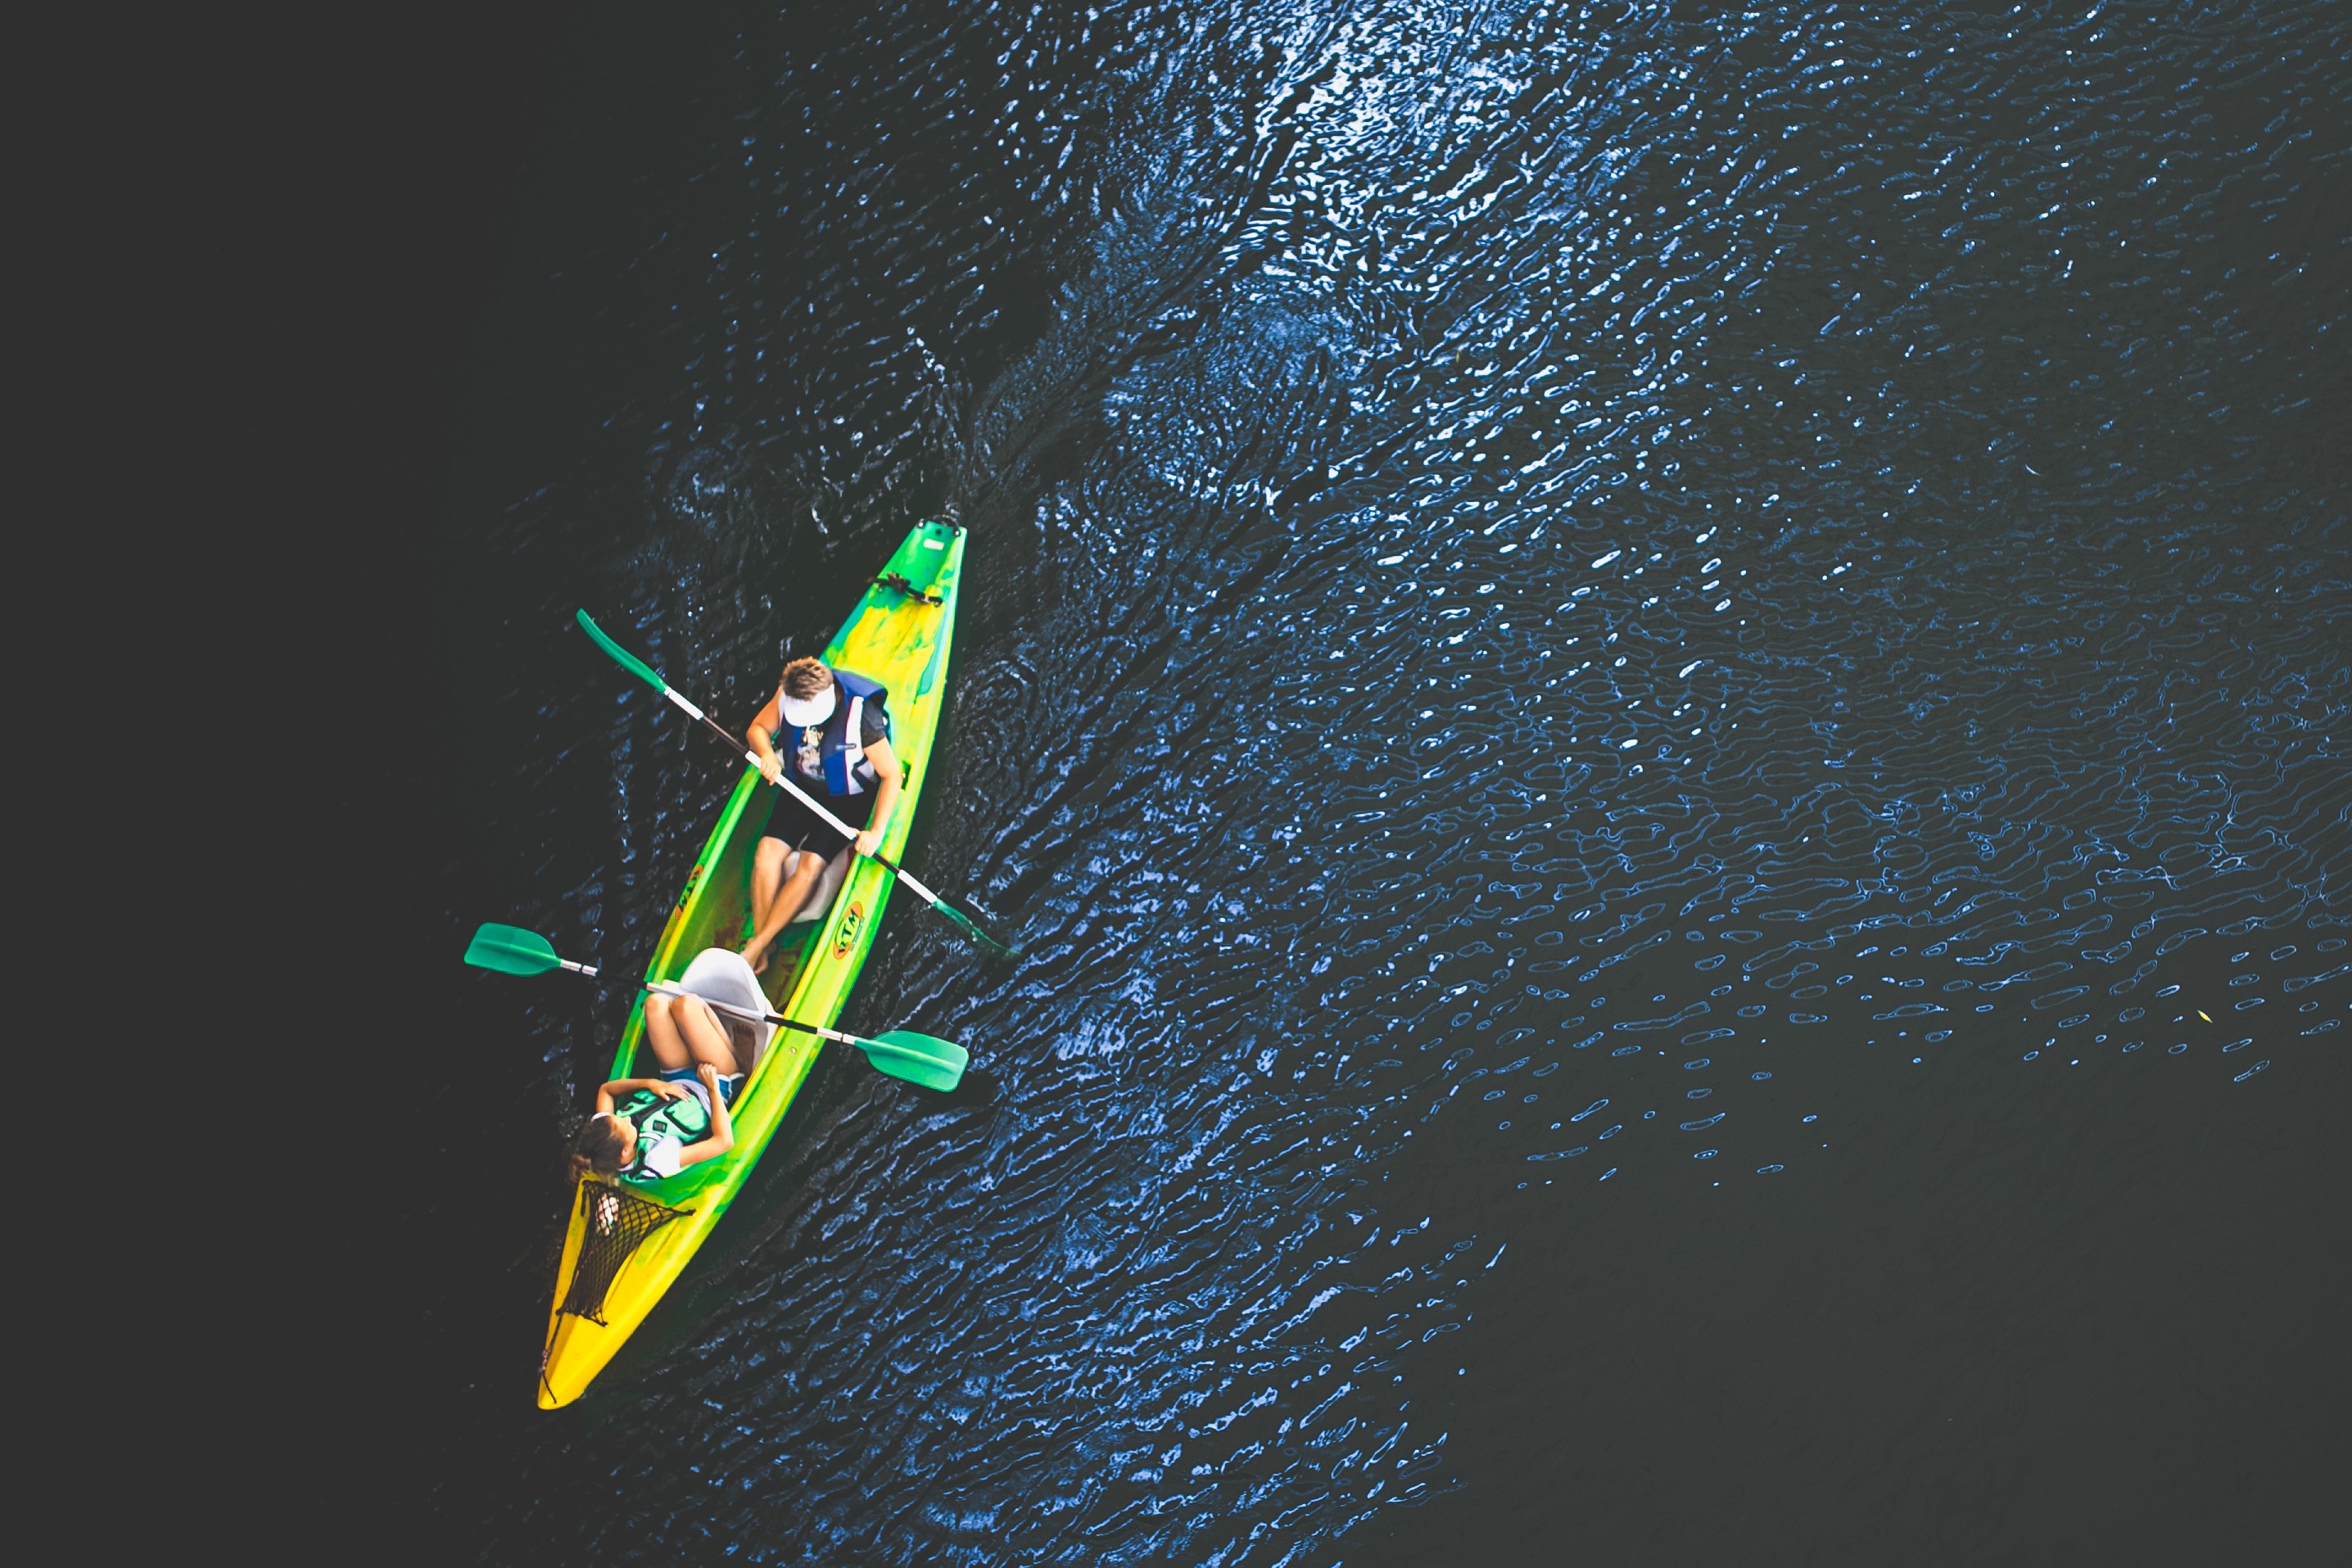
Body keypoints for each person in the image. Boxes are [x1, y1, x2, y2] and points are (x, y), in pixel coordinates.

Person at [740, 654, 901, 973]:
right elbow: (758, 728)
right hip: (803, 787)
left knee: (811, 863)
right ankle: (764, 941)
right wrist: (767, 754)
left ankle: (756, 947)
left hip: (847, 799)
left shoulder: (862, 716)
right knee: (766, 853)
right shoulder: (790, 691)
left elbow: (891, 776)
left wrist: (876, 832)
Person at [571, 992, 742, 1182]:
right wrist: (713, 1089)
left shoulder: (606, 1127)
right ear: (626, 1150)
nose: (626, 1118)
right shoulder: (656, 1160)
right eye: (625, 1125)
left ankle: (722, 1051)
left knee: (655, 1004)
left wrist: (650, 1083)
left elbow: (606, 1090)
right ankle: (739, 1058)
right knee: (687, 1005)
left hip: (676, 1080)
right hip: (713, 1090)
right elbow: (723, 1141)